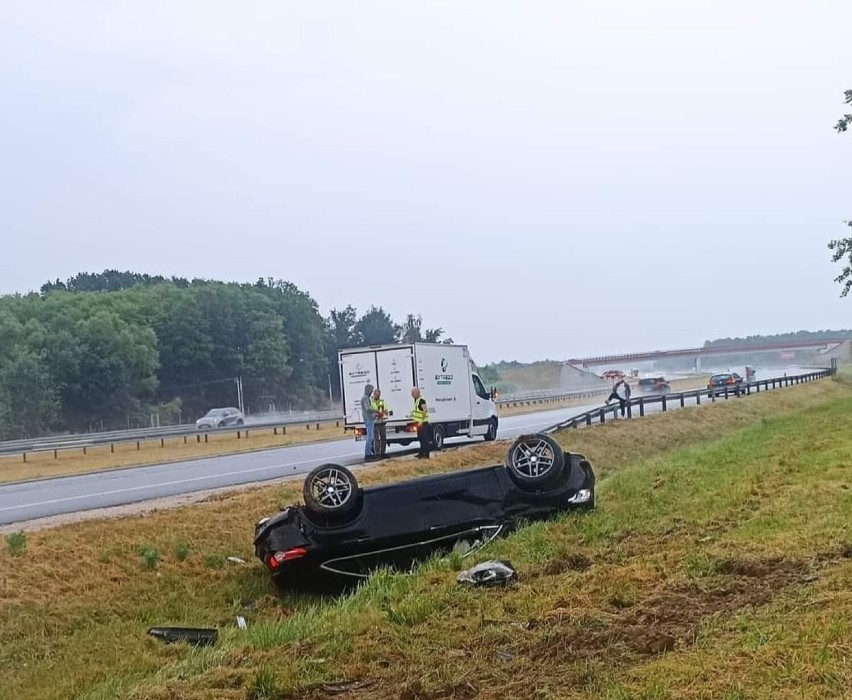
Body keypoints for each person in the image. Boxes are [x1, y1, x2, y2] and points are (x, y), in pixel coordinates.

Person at [410, 387, 431, 459]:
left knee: (424, 439)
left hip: (423, 423)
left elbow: (425, 410)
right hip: (419, 423)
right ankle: (421, 453)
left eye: (412, 393)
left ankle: (426, 454)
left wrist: (421, 421)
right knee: (421, 439)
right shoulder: (417, 400)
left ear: (417, 393)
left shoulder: (421, 401)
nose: (411, 395)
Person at [360, 384, 377, 460]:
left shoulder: (365, 398)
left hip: (369, 418)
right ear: (368, 390)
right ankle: (368, 454)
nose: (371, 392)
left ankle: (370, 452)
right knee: (370, 437)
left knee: (371, 437)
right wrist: (376, 410)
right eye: (371, 390)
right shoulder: (365, 398)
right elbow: (368, 408)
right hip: (368, 419)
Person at [371, 387, 388, 458]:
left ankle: (383, 453)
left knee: (383, 438)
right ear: (374, 394)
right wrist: (376, 414)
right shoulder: (370, 402)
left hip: (382, 422)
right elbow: (369, 412)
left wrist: (384, 412)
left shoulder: (382, 401)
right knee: (376, 439)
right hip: (375, 423)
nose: (377, 396)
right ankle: (377, 454)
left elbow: (386, 410)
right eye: (376, 395)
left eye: (379, 395)